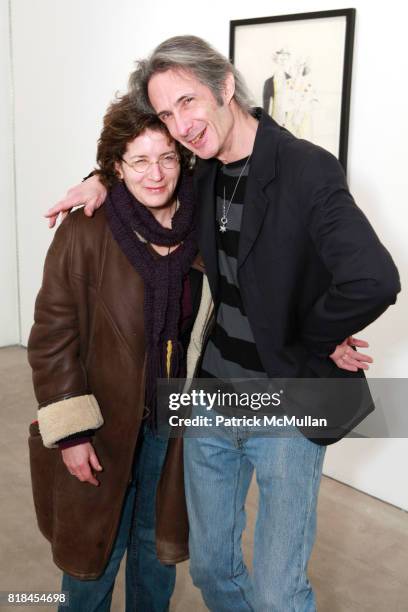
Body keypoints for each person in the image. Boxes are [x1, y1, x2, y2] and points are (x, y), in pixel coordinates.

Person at [46, 36, 400, 612]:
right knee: (210, 570)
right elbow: (142, 165)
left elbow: (374, 279)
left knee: (278, 591)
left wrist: (311, 333)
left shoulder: (305, 167)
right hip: (209, 400)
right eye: (167, 111)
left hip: (287, 402)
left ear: (226, 87)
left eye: (187, 102)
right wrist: (99, 179)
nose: (180, 124)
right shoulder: (202, 171)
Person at [28, 94, 203, 612]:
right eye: (140, 160)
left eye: (167, 158)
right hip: (101, 422)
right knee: (92, 564)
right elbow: (52, 334)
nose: (156, 174)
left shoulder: (203, 228)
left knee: (156, 558)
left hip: (172, 429)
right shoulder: (86, 228)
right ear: (114, 166)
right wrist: (72, 433)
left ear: (183, 159)